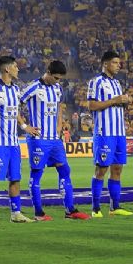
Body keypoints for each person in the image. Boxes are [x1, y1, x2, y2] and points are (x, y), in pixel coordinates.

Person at [22, 60, 90, 221]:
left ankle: (70, 210)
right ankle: (38, 213)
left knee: (65, 170)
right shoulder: (33, 87)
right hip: (38, 139)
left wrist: (60, 125)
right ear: (48, 72)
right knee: (37, 173)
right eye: (56, 78)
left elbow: (59, 107)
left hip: (55, 140)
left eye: (60, 78)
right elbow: (14, 104)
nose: (58, 81)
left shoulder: (57, 88)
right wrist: (25, 126)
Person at [0, 56, 35, 224]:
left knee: (15, 178)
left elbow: (16, 112)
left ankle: (16, 213)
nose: (18, 69)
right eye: (15, 66)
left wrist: (25, 127)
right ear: (7, 69)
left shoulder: (16, 89)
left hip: (13, 143)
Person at [87, 51, 133, 218]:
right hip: (104, 132)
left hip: (119, 133)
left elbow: (117, 105)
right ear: (105, 64)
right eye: (115, 62)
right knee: (101, 169)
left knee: (117, 169)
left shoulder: (117, 83)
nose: (118, 65)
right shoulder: (96, 82)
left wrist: (125, 102)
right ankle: (96, 208)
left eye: (118, 62)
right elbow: (91, 105)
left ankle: (115, 207)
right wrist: (115, 100)